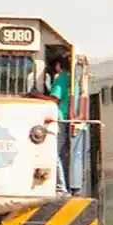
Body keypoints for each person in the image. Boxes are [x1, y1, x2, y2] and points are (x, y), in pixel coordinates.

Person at [48, 59, 71, 192]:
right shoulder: (70, 78)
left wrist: (35, 96)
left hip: (60, 119)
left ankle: (60, 187)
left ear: (58, 65)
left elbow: (54, 99)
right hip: (67, 119)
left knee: (52, 153)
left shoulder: (61, 78)